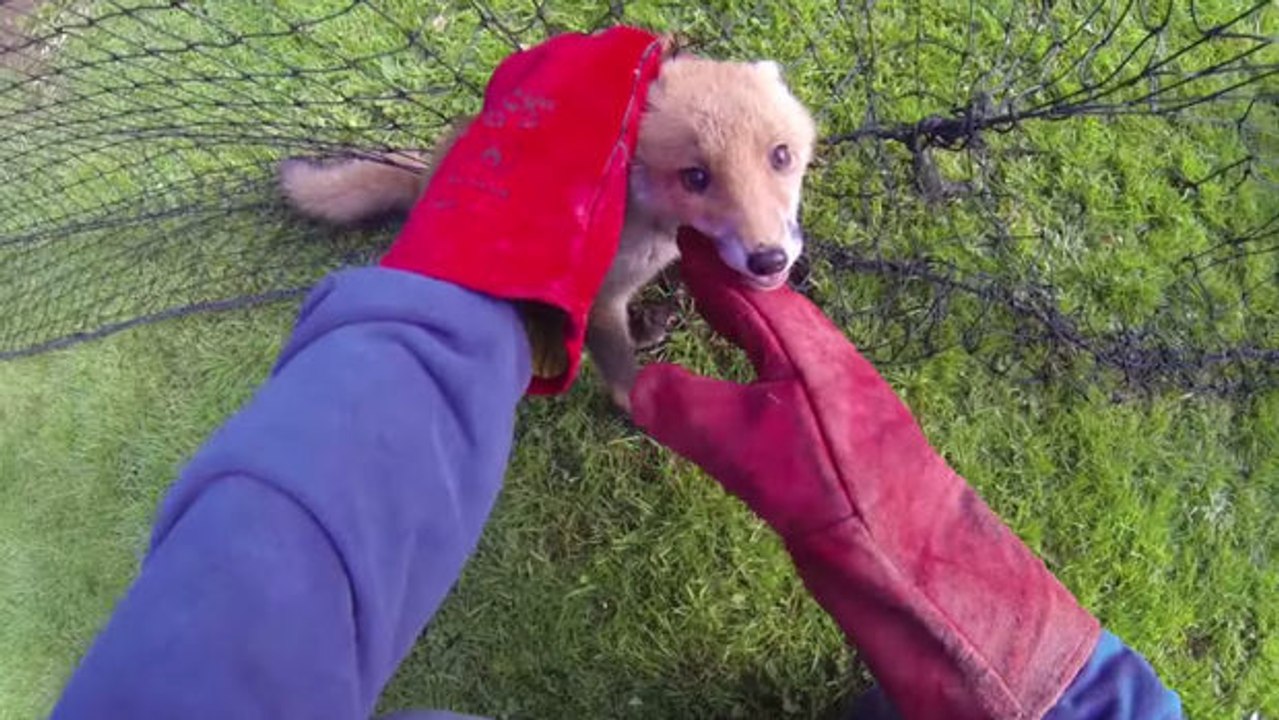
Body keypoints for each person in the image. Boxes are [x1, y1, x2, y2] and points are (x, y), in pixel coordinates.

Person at [49, 27, 1183, 720]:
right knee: (611, 294)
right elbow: (619, 269)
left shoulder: (729, 159)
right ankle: (564, 333)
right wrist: (618, 361)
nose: (765, 221)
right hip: (559, 241)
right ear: (643, 166)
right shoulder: (616, 191)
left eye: (779, 162)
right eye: (699, 179)